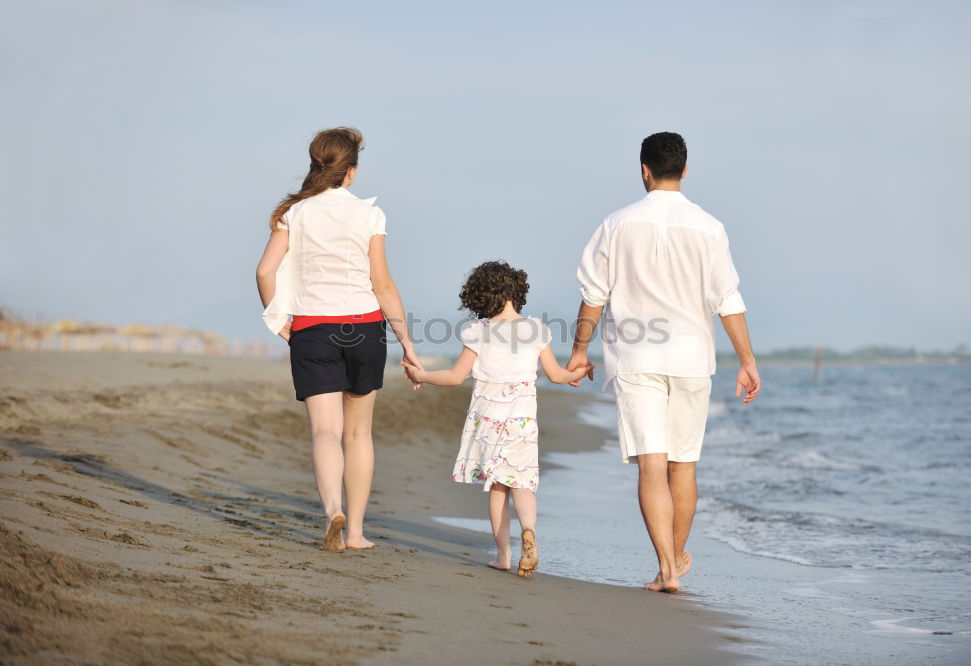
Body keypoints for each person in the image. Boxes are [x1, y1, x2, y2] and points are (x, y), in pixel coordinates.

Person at [567, 131, 761, 593]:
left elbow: (593, 297)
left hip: (637, 360)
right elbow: (726, 300)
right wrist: (748, 360)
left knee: (652, 465)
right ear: (686, 170)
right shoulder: (709, 227)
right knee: (684, 465)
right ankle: (671, 562)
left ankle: (668, 570)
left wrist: (579, 351)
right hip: (693, 359)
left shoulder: (616, 224)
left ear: (644, 170)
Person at [256, 127, 423, 553]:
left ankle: (333, 512)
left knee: (325, 432)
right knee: (358, 434)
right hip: (364, 328)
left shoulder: (295, 213)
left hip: (312, 330)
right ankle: (356, 533)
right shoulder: (370, 216)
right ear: (351, 172)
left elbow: (264, 272)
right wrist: (407, 343)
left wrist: (280, 323)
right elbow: (382, 284)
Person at [402, 261, 590, 577]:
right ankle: (529, 530)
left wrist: (420, 374)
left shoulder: (478, 330)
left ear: (479, 298)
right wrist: (579, 372)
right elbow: (556, 375)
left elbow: (454, 376)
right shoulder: (536, 329)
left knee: (498, 487)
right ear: (517, 293)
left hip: (488, 420)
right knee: (523, 482)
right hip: (522, 421)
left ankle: (503, 554)